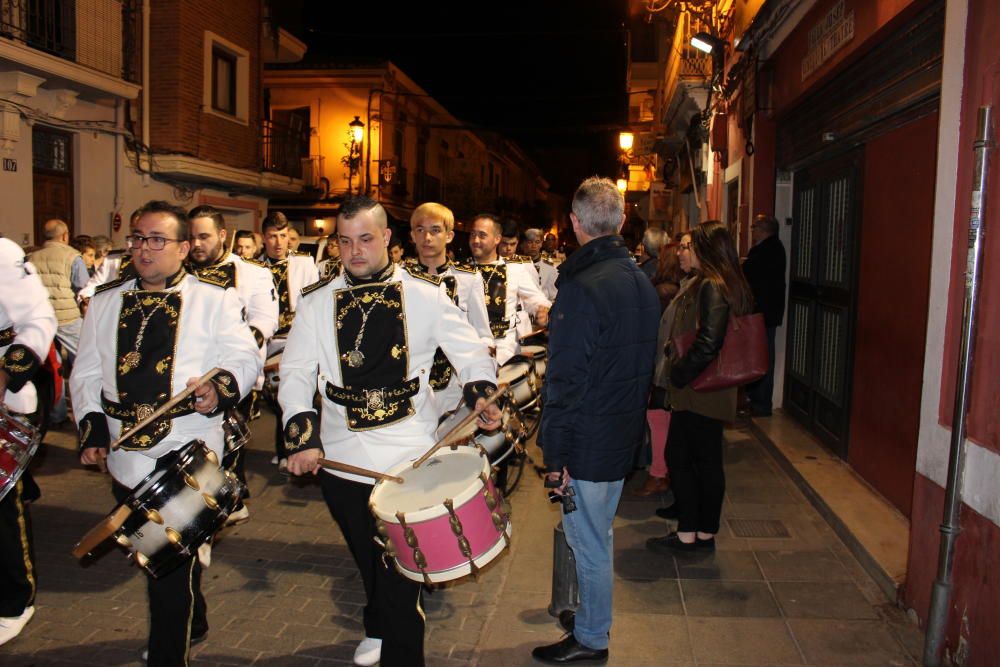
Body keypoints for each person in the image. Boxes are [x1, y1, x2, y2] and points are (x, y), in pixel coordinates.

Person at [279, 195, 500, 667]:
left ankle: (398, 646)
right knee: (368, 557)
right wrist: (301, 436)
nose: (355, 251)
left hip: (409, 457)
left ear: (386, 239)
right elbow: (295, 374)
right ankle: (375, 625)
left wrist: (481, 389)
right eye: (345, 241)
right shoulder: (316, 302)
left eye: (365, 239)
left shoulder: (424, 292)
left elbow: (468, 350)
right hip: (343, 454)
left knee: (403, 576)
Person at [71, 200, 261, 665]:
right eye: (138, 238)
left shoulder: (214, 298)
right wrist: (93, 427)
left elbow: (245, 358)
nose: (144, 249)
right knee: (168, 557)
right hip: (126, 455)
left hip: (187, 450)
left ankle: (167, 653)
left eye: (157, 240)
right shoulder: (106, 300)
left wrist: (219, 389)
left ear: (183, 248)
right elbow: (87, 372)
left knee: (165, 566)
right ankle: (193, 620)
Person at [532, 177, 659, 665]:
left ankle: (591, 638)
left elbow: (565, 383)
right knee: (596, 534)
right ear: (622, 222)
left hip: (589, 440)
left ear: (575, 223)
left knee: (590, 542)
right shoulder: (640, 281)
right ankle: (591, 618)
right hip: (619, 432)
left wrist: (555, 455)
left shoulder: (583, 288)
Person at [646, 220, 753, 554]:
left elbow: (708, 341)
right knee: (704, 460)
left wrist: (678, 374)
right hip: (707, 387)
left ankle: (691, 534)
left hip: (699, 388)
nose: (680, 252)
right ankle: (702, 533)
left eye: (687, 246)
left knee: (683, 458)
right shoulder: (717, 282)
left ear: (705, 249)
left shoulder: (711, 284)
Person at [188, 205, 279, 523]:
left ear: (222, 235)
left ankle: (227, 500)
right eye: (192, 237)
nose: (197, 244)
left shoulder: (253, 273)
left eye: (204, 236)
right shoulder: (183, 274)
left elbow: (265, 320)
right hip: (190, 375)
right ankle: (217, 500)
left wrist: (239, 357)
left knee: (228, 440)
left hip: (232, 375)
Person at [0, 238, 57, 647]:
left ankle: (14, 602)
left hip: (3, 396)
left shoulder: (2, 254)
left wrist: (4, 377)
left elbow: (39, 321)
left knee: (2, 505)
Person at [408, 202, 493, 415]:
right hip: (411, 388)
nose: (427, 238)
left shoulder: (468, 279)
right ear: (412, 235)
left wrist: (479, 383)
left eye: (435, 230)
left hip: (455, 391)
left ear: (449, 236)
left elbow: (482, 335)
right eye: (420, 230)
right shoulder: (400, 280)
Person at [260, 212, 319, 470]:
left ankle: (292, 449)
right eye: (272, 236)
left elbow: (313, 299)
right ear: (264, 238)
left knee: (292, 395)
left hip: (294, 340)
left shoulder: (304, 263)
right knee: (276, 400)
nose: (278, 242)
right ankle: (286, 448)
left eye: (282, 235)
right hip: (268, 341)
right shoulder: (253, 267)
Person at [635, 234, 687, 498]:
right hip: (665, 365)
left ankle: (658, 474)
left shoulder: (664, 291)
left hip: (661, 366)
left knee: (657, 418)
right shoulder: (678, 289)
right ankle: (661, 472)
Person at [467, 214, 550, 365]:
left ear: (496, 239)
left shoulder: (515, 270)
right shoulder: (460, 271)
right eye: (473, 234)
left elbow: (535, 298)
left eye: (482, 235)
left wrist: (542, 309)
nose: (476, 240)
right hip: (469, 350)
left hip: (505, 350)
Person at [742, 214, 786, 417]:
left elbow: (754, 273)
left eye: (754, 227)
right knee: (759, 355)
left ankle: (761, 402)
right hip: (763, 313)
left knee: (762, 357)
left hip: (764, 314)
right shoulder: (769, 249)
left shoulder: (770, 249)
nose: (752, 231)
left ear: (764, 229)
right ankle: (755, 399)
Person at [29, 220, 84, 361]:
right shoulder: (73, 256)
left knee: (51, 361)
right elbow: (83, 287)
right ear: (65, 236)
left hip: (41, 315)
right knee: (83, 357)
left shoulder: (31, 257)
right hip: (67, 316)